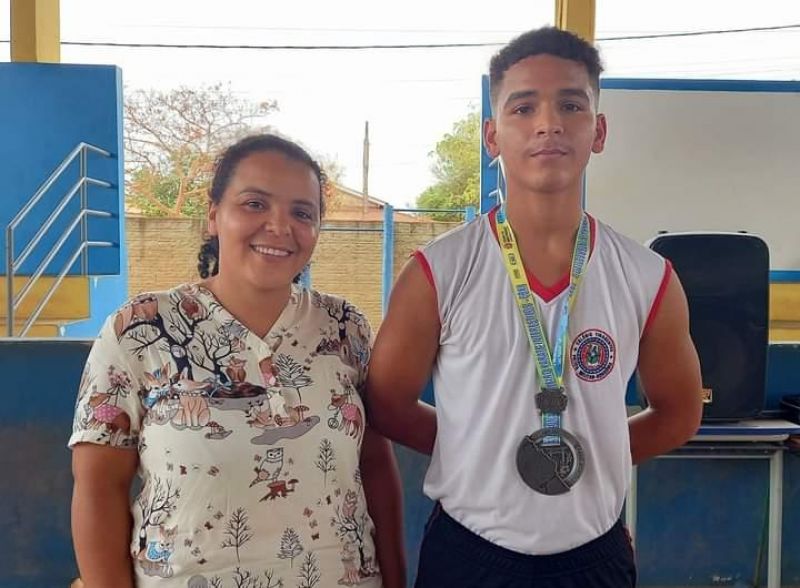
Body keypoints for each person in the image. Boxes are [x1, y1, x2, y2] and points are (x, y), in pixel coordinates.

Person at [366, 27, 703, 588]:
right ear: (492, 136)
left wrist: (593, 459)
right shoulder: (437, 271)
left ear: (598, 131)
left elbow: (679, 413)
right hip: (470, 553)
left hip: (593, 556)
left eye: (571, 104)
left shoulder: (649, 277)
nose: (549, 123)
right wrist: (476, 451)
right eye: (523, 108)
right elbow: (386, 405)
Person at [70, 133, 406, 588]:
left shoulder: (346, 327)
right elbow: (98, 487)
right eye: (254, 204)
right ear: (214, 215)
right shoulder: (140, 328)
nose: (279, 226)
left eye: (302, 213)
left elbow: (374, 464)